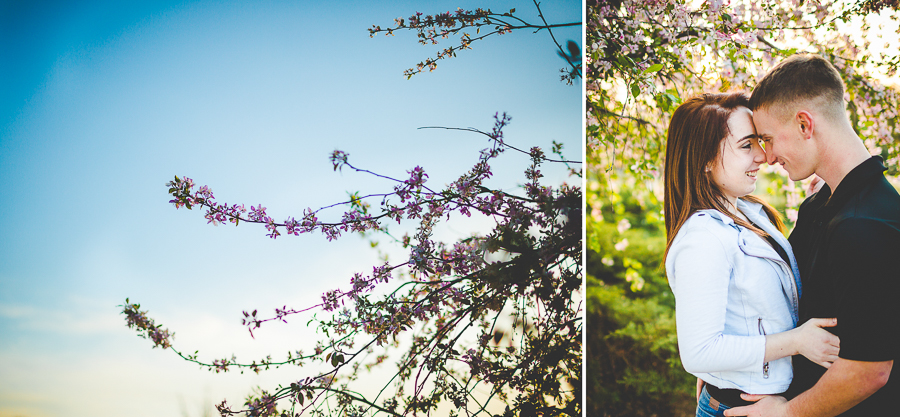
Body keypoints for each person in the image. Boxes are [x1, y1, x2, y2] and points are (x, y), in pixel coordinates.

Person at [721, 54, 900, 417]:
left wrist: (787, 413)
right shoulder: (819, 205)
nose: (767, 156)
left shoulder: (865, 225)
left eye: (769, 139)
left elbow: (870, 370)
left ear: (805, 124)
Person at [664, 92, 841, 417]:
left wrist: (821, 197)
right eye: (747, 145)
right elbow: (699, 352)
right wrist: (797, 342)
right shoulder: (703, 239)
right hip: (740, 407)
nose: (763, 156)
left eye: (760, 141)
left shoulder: (747, 213)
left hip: (764, 398)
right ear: (704, 159)